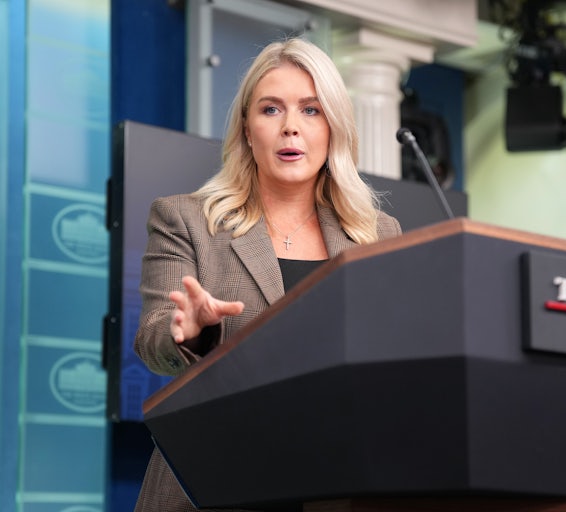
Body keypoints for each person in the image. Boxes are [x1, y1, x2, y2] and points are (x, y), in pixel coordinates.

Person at [132, 37, 402, 512]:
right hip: (214, 485)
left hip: (339, 485)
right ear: (247, 128)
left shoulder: (377, 234)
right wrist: (192, 334)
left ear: (334, 127)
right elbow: (153, 338)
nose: (290, 127)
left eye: (311, 110)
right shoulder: (186, 220)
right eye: (271, 109)